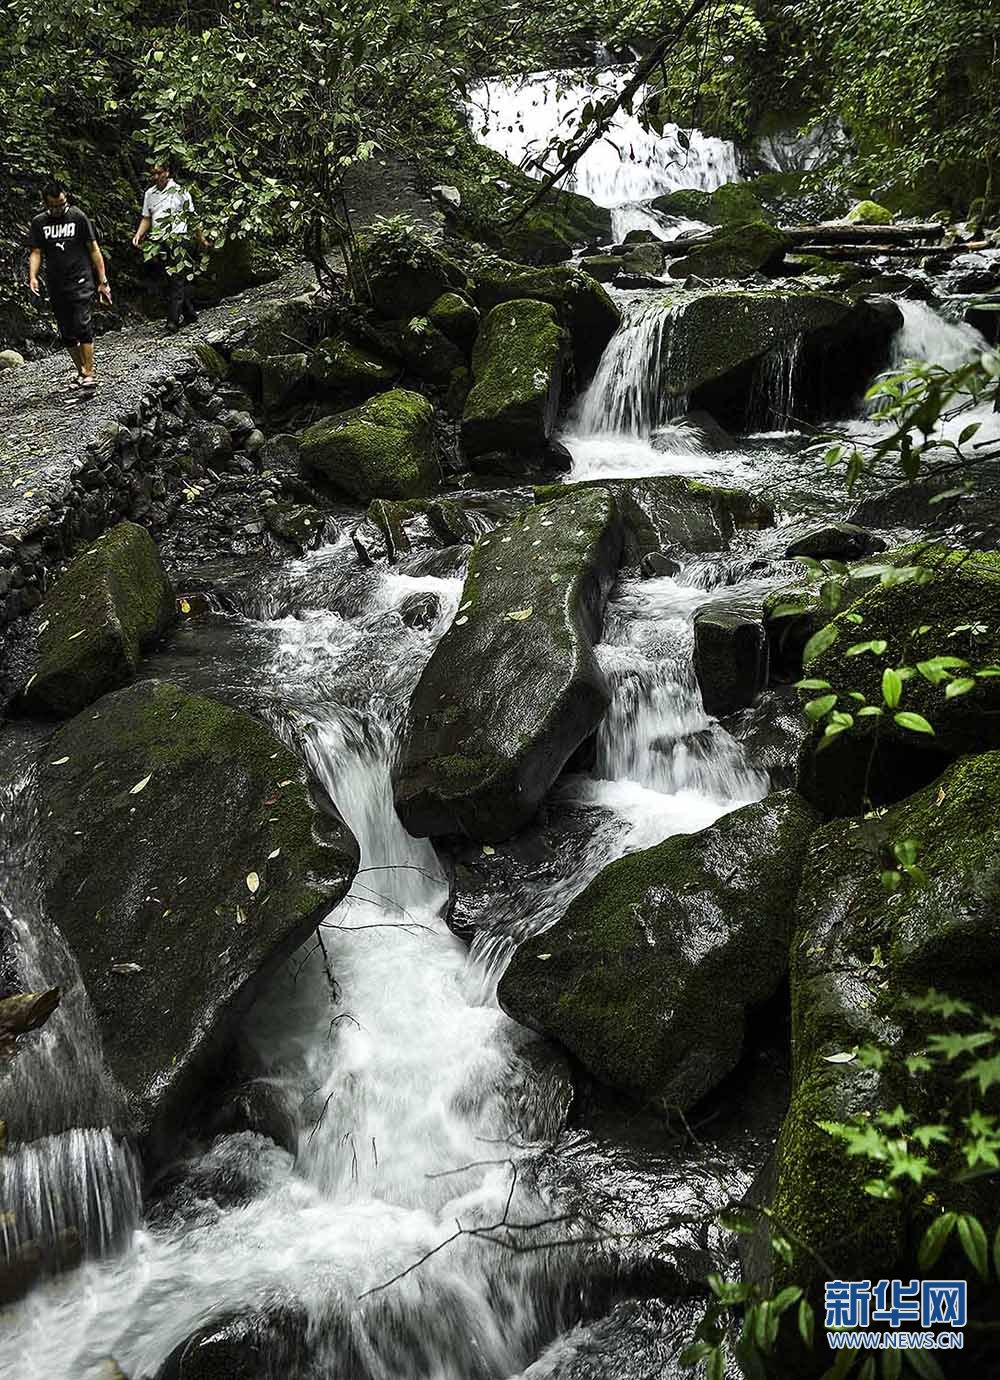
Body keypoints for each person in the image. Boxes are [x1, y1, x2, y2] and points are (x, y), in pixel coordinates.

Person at [27, 181, 112, 393]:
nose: (59, 209)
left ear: (67, 199)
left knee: (82, 323)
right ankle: (82, 371)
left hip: (81, 278)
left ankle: (90, 374)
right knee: (67, 332)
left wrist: (103, 281)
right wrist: (33, 276)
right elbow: (36, 252)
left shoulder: (78, 217)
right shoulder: (39, 223)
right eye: (54, 206)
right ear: (46, 204)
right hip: (57, 282)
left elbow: (93, 249)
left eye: (62, 204)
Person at [132, 162, 209, 333]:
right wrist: (139, 234)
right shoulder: (149, 194)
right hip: (159, 240)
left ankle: (172, 321)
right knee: (167, 279)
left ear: (167, 172)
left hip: (179, 238)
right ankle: (189, 313)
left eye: (159, 173)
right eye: (153, 174)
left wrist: (201, 240)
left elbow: (192, 217)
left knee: (177, 279)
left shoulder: (181, 191)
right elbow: (147, 217)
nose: (155, 177)